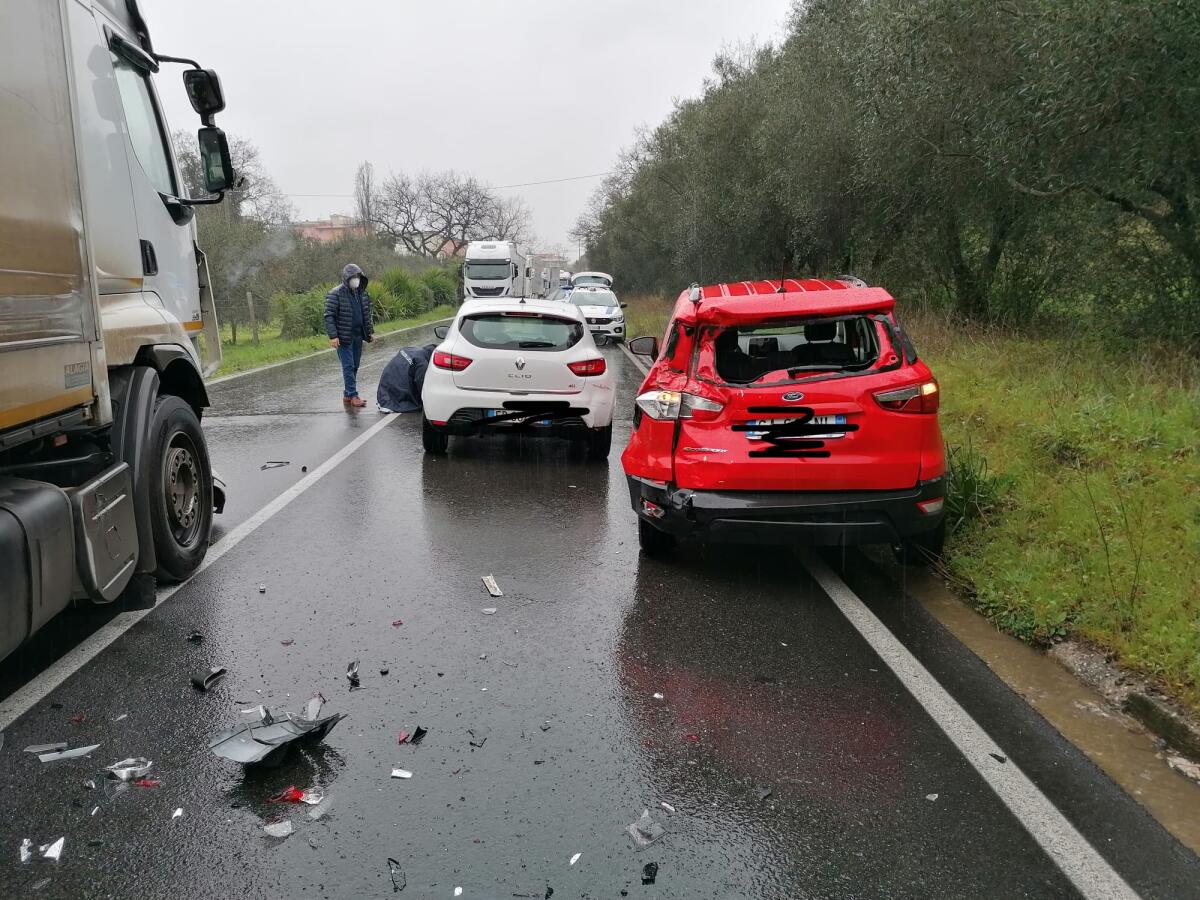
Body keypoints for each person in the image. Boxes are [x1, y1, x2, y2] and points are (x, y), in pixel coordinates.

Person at [324, 263, 374, 406]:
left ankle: (347, 394)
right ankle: (353, 395)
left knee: (355, 365)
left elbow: (366, 314)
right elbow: (329, 316)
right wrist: (333, 336)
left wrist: (369, 332)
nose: (356, 279)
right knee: (348, 366)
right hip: (344, 336)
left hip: (358, 335)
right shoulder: (335, 293)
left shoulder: (362, 293)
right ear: (346, 278)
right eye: (353, 277)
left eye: (358, 276)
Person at [376, 344, 436, 413]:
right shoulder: (422, 363)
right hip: (395, 397)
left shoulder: (408, 349)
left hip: (384, 388)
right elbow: (422, 385)